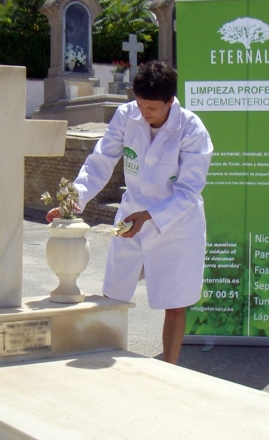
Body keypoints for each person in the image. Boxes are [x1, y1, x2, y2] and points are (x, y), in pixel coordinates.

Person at [47, 61, 213, 364]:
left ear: (170, 101)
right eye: (140, 104)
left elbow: (188, 191)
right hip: (130, 217)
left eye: (151, 108)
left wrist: (149, 216)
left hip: (176, 226)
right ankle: (104, 355)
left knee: (175, 303)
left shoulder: (192, 130)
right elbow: (100, 161)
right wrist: (73, 200)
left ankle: (170, 368)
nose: (144, 112)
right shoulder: (126, 116)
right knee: (113, 294)